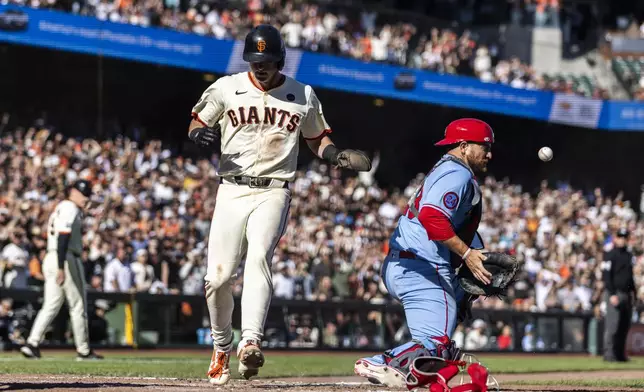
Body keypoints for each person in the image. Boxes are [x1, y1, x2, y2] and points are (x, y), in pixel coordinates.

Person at [187, 24, 371, 385]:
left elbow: (317, 138)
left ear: (280, 59)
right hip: (231, 188)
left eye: (267, 60)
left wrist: (336, 156)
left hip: (274, 189)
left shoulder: (301, 93)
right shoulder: (227, 87)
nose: (260, 66)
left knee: (258, 257)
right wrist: (198, 134)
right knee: (217, 278)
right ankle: (222, 344)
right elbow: (197, 121)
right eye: (254, 60)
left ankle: (251, 340)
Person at [354, 118, 494, 388]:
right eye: (484, 146)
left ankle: (407, 375)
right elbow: (432, 217)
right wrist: (468, 254)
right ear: (464, 146)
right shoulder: (458, 173)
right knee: (438, 347)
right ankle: (383, 362)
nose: (489, 153)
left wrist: (463, 289)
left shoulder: (446, 169)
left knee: (440, 352)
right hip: (423, 268)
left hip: (408, 265)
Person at [20, 180, 103, 360]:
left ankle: (32, 343)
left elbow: (90, 207)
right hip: (64, 258)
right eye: (83, 193)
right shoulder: (69, 207)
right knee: (78, 304)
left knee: (51, 305)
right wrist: (60, 267)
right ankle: (83, 350)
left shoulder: (64, 207)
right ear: (73, 192)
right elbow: (63, 236)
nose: (85, 197)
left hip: (52, 256)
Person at [602, 228, 636, 362]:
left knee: (624, 326)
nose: (622, 239)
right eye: (620, 237)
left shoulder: (628, 255)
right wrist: (611, 293)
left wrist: (634, 292)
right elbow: (606, 276)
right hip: (615, 293)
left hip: (626, 294)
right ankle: (609, 354)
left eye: (625, 237)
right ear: (615, 238)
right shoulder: (610, 254)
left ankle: (620, 355)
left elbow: (630, 276)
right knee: (612, 326)